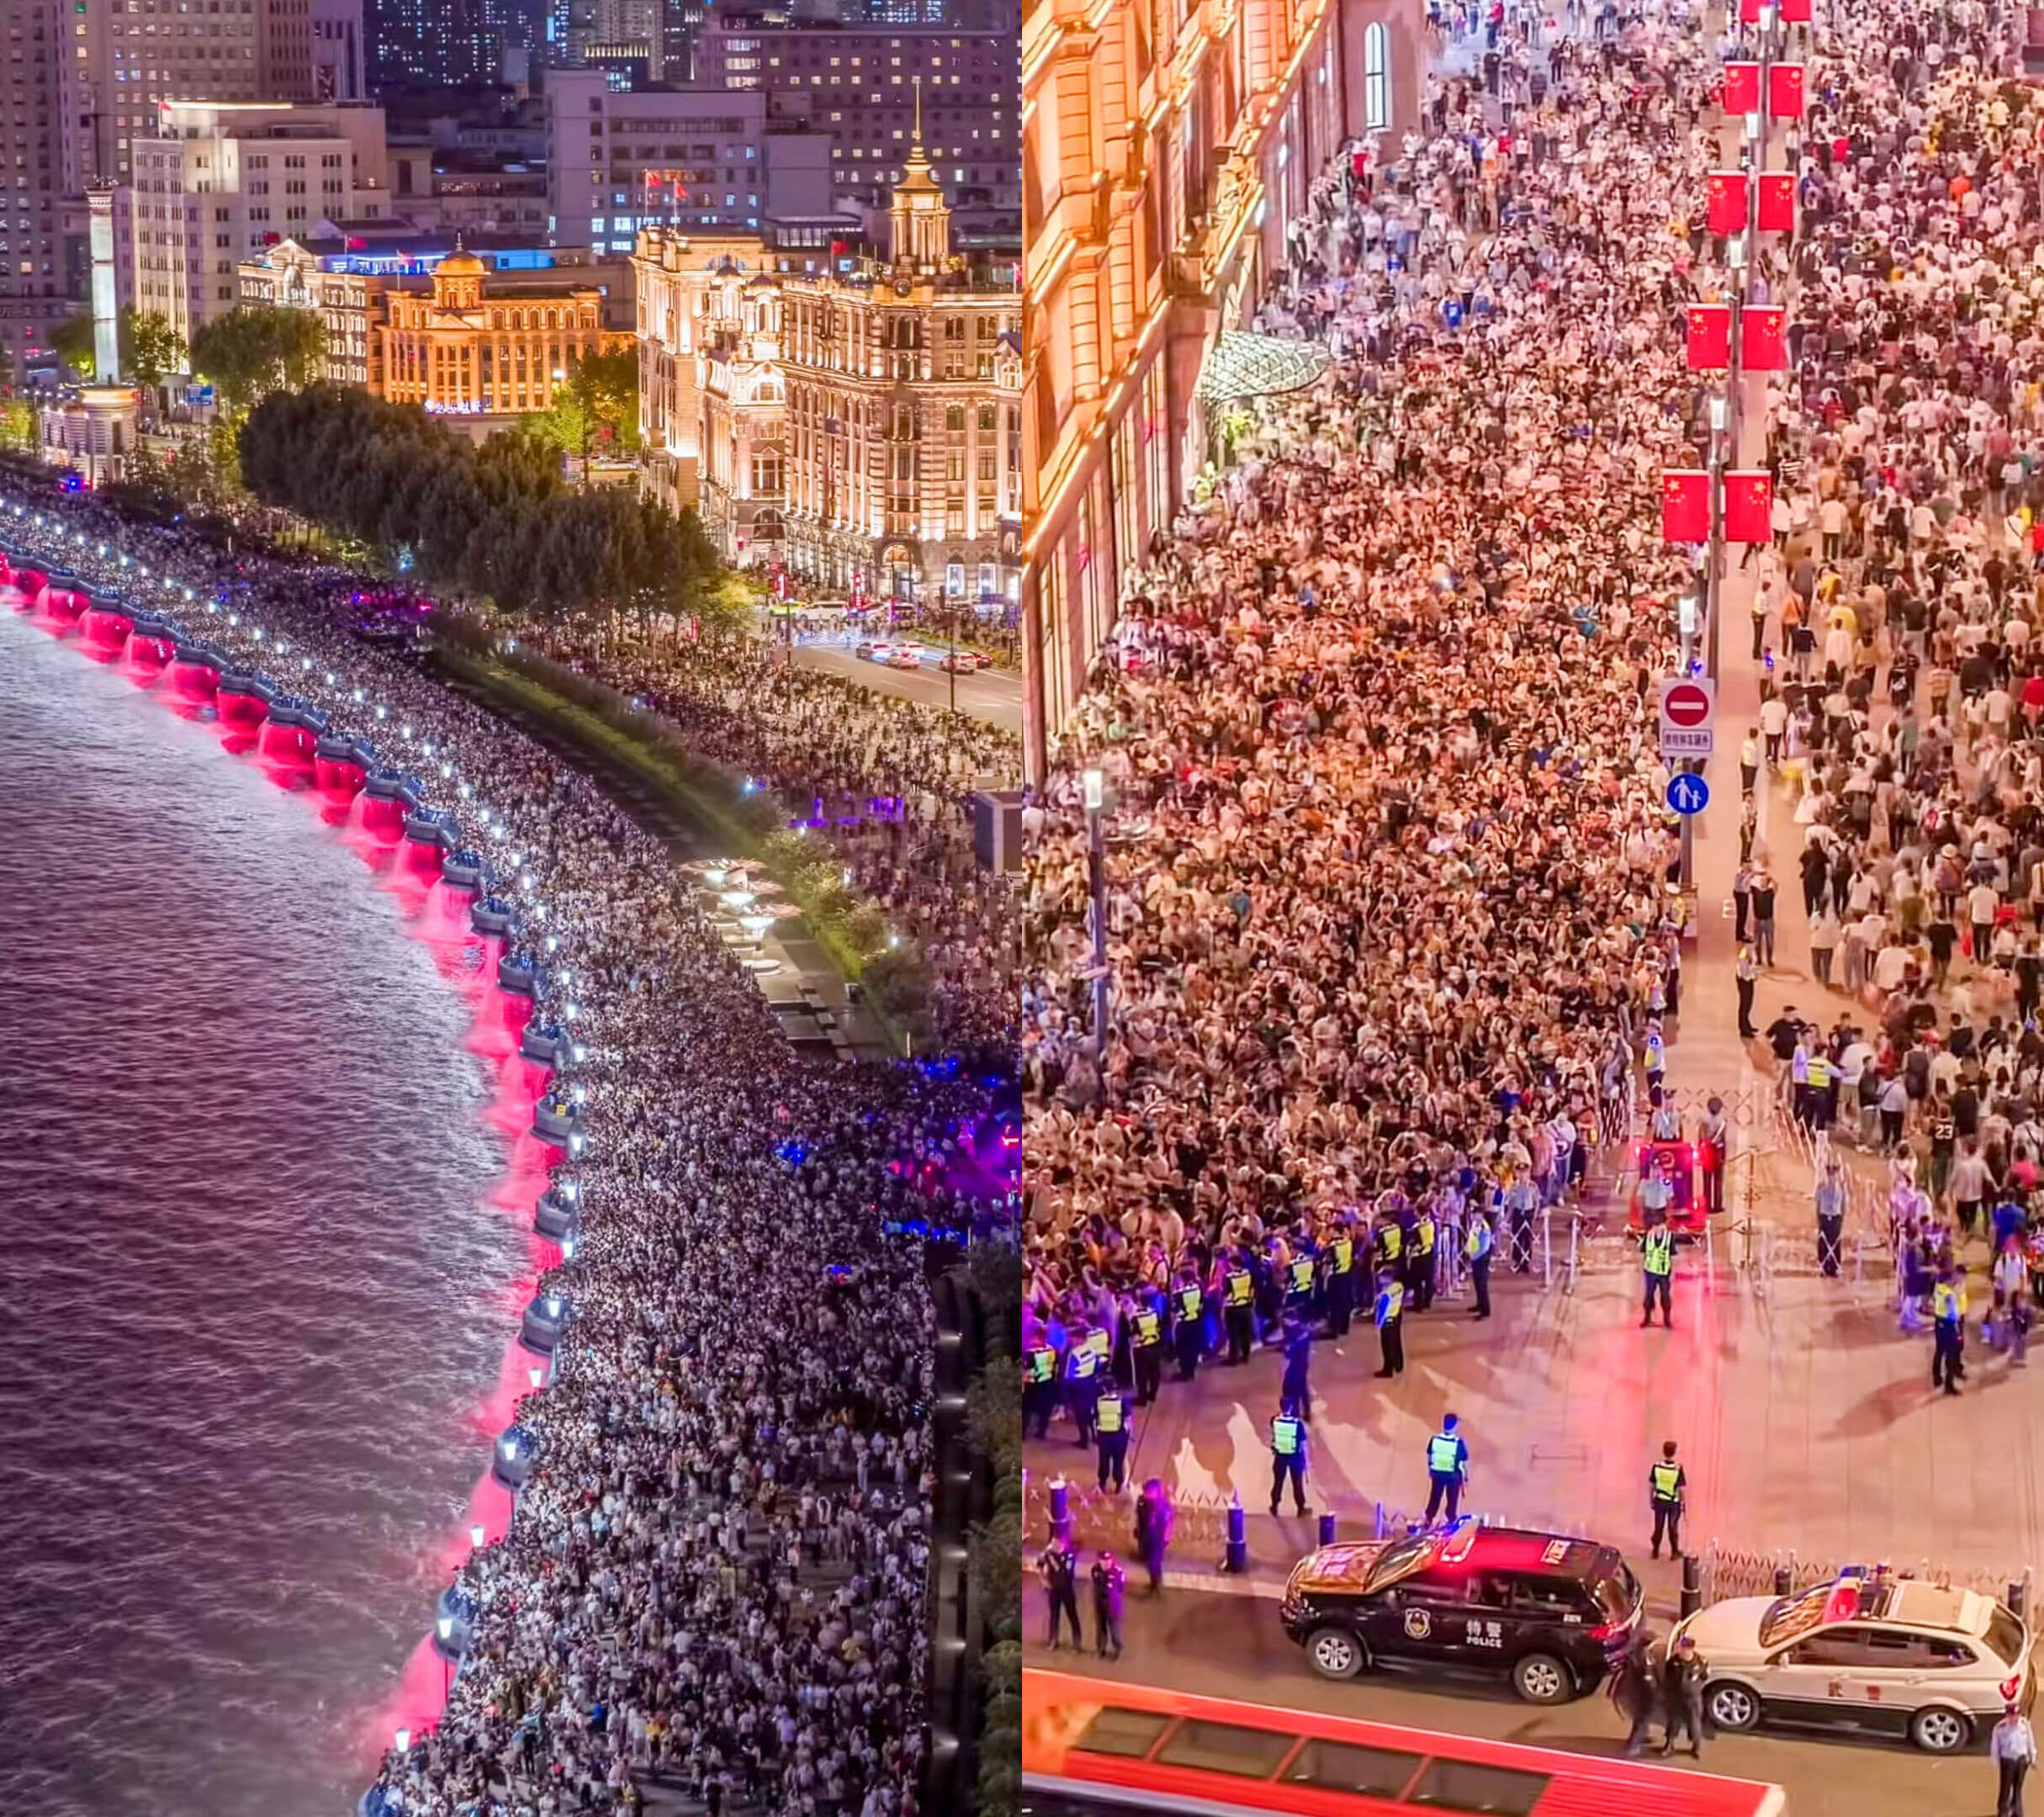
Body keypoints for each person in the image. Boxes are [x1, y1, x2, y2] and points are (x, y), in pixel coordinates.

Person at [1610, 1628, 1662, 1757]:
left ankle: (1640, 1738)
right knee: (1642, 1719)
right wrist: (1655, 1692)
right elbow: (1648, 1679)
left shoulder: (1638, 1653)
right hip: (1642, 1693)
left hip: (1636, 1692)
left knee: (1641, 1719)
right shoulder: (1643, 1658)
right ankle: (1634, 1746)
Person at [1661, 1634, 1706, 1758]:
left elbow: (1704, 1676)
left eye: (1683, 1648)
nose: (1681, 1650)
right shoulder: (1673, 1661)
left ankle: (1696, 1747)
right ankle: (1669, 1745)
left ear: (1690, 1649)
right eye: (1680, 1647)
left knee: (1694, 1722)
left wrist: (1694, 1688)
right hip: (1676, 1696)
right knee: (1673, 1721)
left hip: (1693, 1698)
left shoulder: (1701, 1662)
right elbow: (1668, 1676)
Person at [1424, 1412, 1469, 1524]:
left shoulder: (1435, 1439)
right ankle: (1451, 1520)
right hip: (1452, 1475)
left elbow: (1430, 1455)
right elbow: (1462, 1463)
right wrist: (1465, 1480)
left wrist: (1430, 1469)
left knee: (1435, 1497)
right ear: (1455, 1426)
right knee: (1452, 1499)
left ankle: (1429, 1518)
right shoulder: (1458, 1442)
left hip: (1437, 1473)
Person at [1994, 1698, 2036, 1817]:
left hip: (2021, 1760)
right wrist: (1997, 1761)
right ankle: (2003, 1810)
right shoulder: (2000, 1728)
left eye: (2017, 1715)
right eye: (2012, 1716)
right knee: (2006, 1787)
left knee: (2018, 1787)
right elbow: (1995, 1746)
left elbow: (2030, 1742)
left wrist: (2032, 1757)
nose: (2015, 1718)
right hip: (2007, 1760)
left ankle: (2016, 1810)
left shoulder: (2024, 1725)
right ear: (2007, 1715)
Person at [1041, 1537, 1083, 1649]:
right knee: (1054, 1615)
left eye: (1056, 1544)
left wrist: (1057, 1560)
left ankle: (1077, 1640)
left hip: (1067, 1589)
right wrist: (1044, 1580)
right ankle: (1053, 1640)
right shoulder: (1049, 1554)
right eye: (1052, 1543)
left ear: (1062, 1545)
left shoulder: (1069, 1556)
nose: (1053, 1546)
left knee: (1072, 1614)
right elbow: (1040, 1564)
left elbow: (1067, 1571)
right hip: (1054, 1589)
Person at [1933, 1263, 1969, 1396]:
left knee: (1940, 1351)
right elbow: (1952, 1313)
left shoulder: (1940, 1288)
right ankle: (1949, 1385)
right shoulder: (1949, 1294)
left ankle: (1937, 1377)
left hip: (1940, 1322)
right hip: (1949, 1324)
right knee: (1951, 1354)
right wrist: (1957, 1330)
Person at [1269, 1400, 1310, 1516]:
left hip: (1280, 1455)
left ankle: (1274, 1506)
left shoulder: (1274, 1420)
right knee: (1297, 1483)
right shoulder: (1297, 1424)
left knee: (1278, 1482)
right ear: (1291, 1407)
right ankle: (1300, 1508)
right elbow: (1303, 1443)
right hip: (1294, 1457)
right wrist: (1306, 1461)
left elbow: (1274, 1433)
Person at [1649, 1440, 1687, 1560]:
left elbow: (1652, 1485)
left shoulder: (1657, 1467)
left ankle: (1655, 1551)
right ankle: (1674, 1552)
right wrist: (1683, 1502)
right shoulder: (1677, 1469)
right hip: (1673, 1502)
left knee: (1658, 1526)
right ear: (1674, 1452)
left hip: (1660, 1500)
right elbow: (1681, 1488)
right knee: (1672, 1527)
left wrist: (1651, 1499)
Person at [1135, 1479, 1173, 1595]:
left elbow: (1169, 1522)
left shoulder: (1163, 1505)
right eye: (1148, 1491)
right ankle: (1153, 1582)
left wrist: (1167, 1537)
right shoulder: (1142, 1502)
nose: (1148, 1494)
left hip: (1157, 1537)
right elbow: (1139, 1518)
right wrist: (1138, 1530)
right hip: (1145, 1536)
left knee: (1154, 1562)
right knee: (1147, 1560)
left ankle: (1156, 1585)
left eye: (1151, 1492)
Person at [1090, 1550, 1127, 1661]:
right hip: (1099, 1603)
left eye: (1108, 1561)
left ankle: (1117, 1650)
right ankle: (1101, 1649)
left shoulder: (1117, 1572)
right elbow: (1095, 1582)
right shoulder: (1095, 1569)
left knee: (1114, 1629)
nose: (1106, 1563)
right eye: (1103, 1561)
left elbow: (1121, 1587)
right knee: (1100, 1627)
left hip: (1112, 1604)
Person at [1640, 1214, 1675, 1329]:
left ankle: (1667, 1319)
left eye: (1660, 1226)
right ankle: (1647, 1317)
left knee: (1665, 1295)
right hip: (1650, 1271)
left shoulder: (1669, 1237)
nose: (1658, 1229)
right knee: (1649, 1295)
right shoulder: (1648, 1237)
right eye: (1655, 1226)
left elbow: (1672, 1252)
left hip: (1664, 1272)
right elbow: (1643, 1250)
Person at [1094, 1383, 1129, 1492]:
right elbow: (1128, 1419)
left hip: (1104, 1436)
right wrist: (1129, 1434)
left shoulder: (1098, 1401)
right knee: (1118, 1461)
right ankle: (1118, 1484)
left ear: (1105, 1388)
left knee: (1104, 1460)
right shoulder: (1122, 1401)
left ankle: (1102, 1483)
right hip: (1119, 1437)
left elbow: (1095, 1418)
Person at [1815, 1157, 1846, 1279]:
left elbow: (1844, 1205)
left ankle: (1835, 1267)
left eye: (1834, 1174)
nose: (1832, 1177)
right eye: (1830, 1174)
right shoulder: (1821, 1188)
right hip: (1824, 1216)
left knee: (1835, 1242)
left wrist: (1842, 1218)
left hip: (1836, 1217)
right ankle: (1823, 1265)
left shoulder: (1841, 1189)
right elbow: (1818, 1204)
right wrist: (1818, 1218)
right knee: (1824, 1242)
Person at [1697, 1096, 1728, 1215]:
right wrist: (1724, 1156)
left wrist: (1700, 1153)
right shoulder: (1722, 1121)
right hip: (1717, 1152)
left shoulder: (1703, 1120)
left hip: (1707, 1151)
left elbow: (1701, 1138)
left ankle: (1707, 1205)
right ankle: (1717, 1204)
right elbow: (1723, 1140)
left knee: (1707, 1179)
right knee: (1718, 1179)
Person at [1373, 1270, 1406, 1377]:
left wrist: (1378, 1324)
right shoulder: (1399, 1286)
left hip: (1387, 1321)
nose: (1379, 1279)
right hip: (1396, 1317)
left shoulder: (1386, 1294)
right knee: (1396, 1342)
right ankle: (1398, 1364)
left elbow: (1382, 1310)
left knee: (1387, 1346)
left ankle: (1388, 1370)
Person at [1465, 1205, 1493, 1319]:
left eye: (1475, 1213)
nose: (1473, 1215)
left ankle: (1485, 1310)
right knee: (1477, 1283)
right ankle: (1480, 1304)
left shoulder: (1483, 1226)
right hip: (1475, 1257)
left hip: (1481, 1258)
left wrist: (1474, 1256)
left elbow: (1484, 1246)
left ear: (1481, 1215)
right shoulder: (1476, 1225)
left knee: (1482, 1285)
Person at [1735, 944, 1759, 1040]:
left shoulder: (1751, 953)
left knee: (1749, 1004)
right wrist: (1754, 972)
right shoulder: (1744, 955)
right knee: (1744, 1005)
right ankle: (1744, 1029)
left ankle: (1747, 1025)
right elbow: (1745, 974)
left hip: (1749, 980)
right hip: (1744, 982)